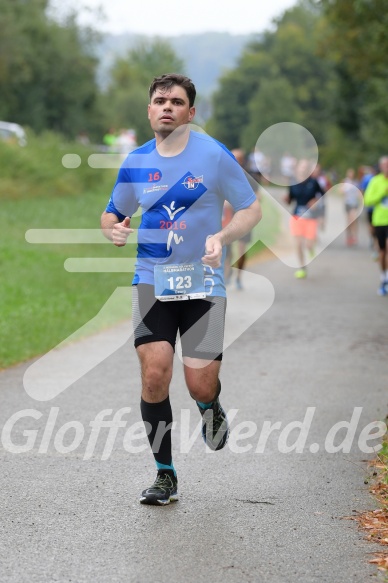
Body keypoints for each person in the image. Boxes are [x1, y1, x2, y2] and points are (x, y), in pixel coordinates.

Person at [100, 74, 262, 505]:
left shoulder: (213, 156)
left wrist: (223, 238)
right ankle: (165, 474)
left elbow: (251, 207)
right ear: (149, 110)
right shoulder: (136, 161)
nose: (167, 107)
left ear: (191, 112)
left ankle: (211, 408)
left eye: (176, 101)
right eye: (159, 101)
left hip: (204, 283)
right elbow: (113, 212)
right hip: (152, 279)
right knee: (155, 374)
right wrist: (113, 230)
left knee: (199, 384)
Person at [284, 159, 325, 279]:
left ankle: (311, 248)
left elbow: (322, 195)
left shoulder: (314, 182)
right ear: (297, 168)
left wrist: (315, 201)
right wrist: (286, 199)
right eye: (302, 167)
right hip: (297, 216)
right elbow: (290, 200)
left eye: (306, 167)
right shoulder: (293, 183)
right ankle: (302, 268)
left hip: (311, 218)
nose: (304, 169)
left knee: (308, 245)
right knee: (298, 244)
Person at [364, 156, 388, 296]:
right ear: (381, 167)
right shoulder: (375, 181)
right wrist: (382, 193)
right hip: (379, 221)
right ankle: (383, 277)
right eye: (385, 165)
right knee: (382, 251)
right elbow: (368, 200)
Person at [340, 168, 361, 246]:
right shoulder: (345, 182)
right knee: (349, 221)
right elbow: (341, 191)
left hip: (355, 203)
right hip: (347, 203)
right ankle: (349, 236)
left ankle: (354, 235)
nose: (351, 175)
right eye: (349, 173)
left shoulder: (356, 182)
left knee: (354, 219)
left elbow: (359, 192)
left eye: (352, 173)